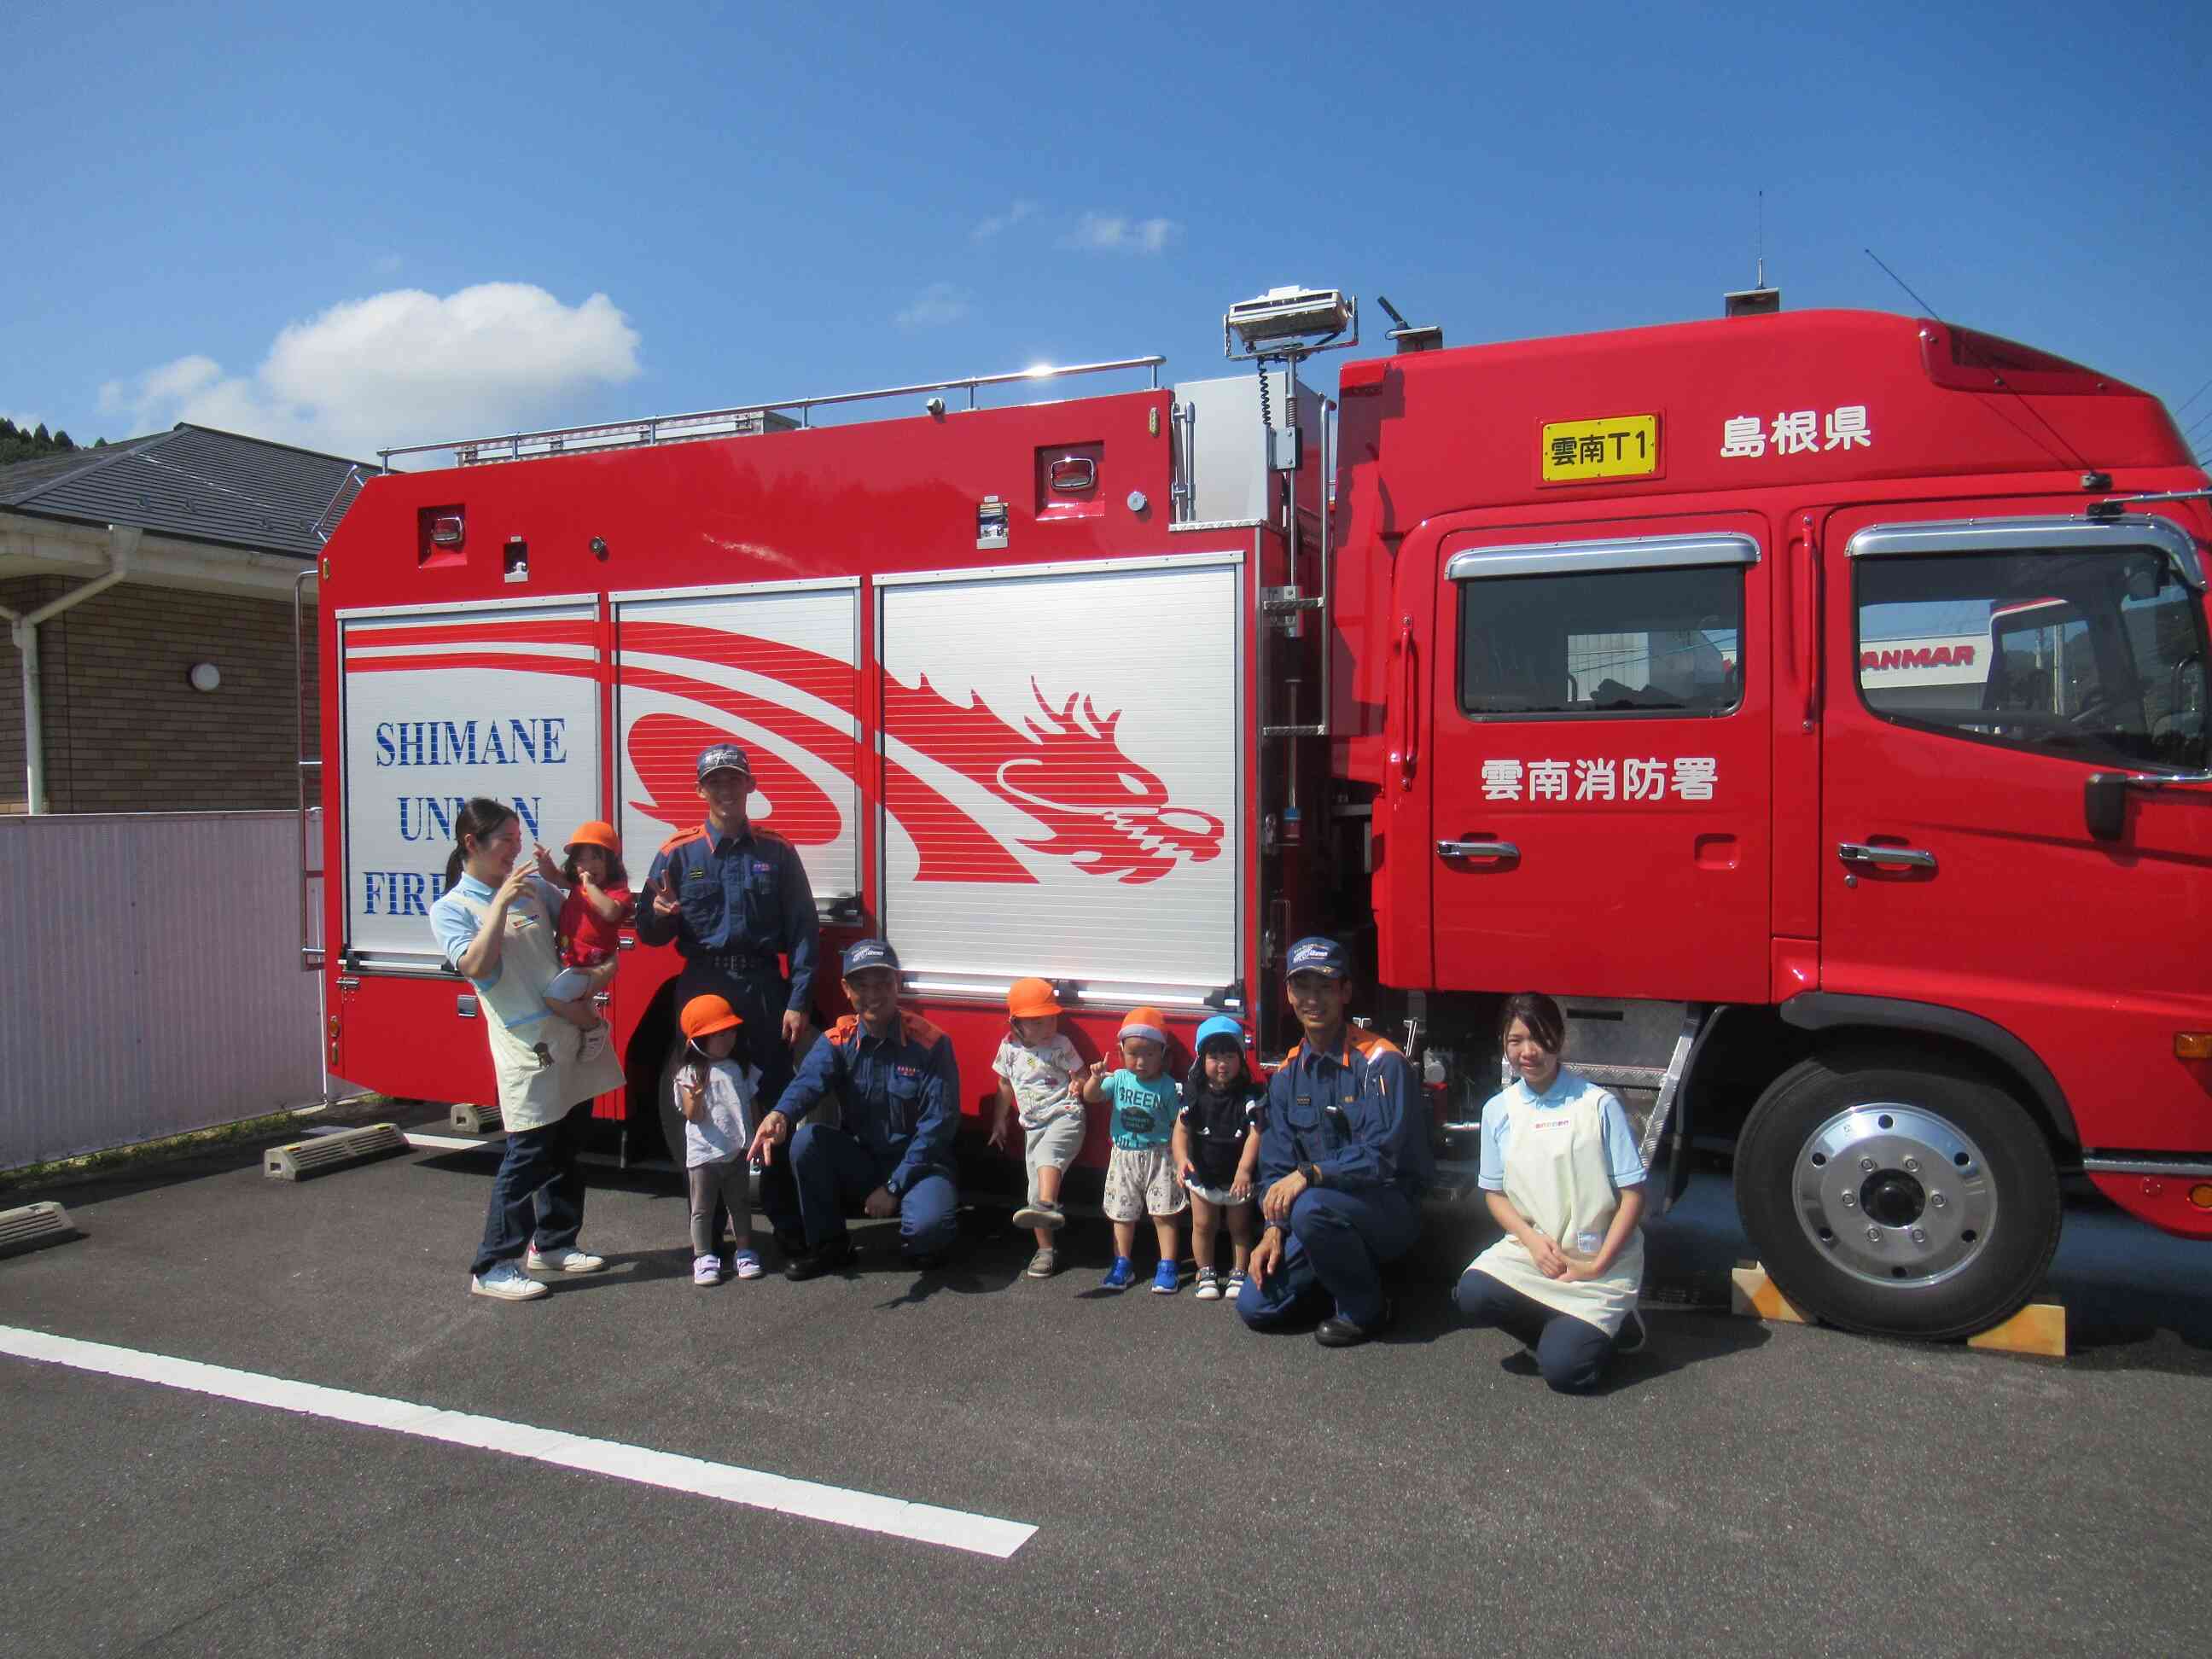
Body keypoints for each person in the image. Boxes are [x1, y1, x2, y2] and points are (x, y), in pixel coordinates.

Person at [429, 798, 626, 1303]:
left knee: (568, 1143)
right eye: (504, 842)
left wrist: (602, 968)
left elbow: (586, 927)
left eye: (518, 840)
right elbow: (474, 965)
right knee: (529, 1153)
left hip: (571, 1033)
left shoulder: (537, 890)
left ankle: (555, 1241)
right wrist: (498, 905)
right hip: (525, 1044)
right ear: (471, 844)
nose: (514, 851)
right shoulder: (452, 909)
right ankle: (493, 1264)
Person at [635, 742, 819, 1254]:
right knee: (704, 1110)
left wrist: (799, 997)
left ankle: (786, 1227)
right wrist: (660, 914)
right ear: (701, 790)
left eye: (734, 780)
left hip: (763, 987)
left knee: (777, 1102)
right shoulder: (677, 852)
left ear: (750, 787)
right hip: (704, 987)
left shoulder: (777, 852)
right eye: (715, 782)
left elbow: (804, 928)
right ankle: (709, 1240)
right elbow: (648, 933)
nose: (726, 789)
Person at [1237, 936, 1433, 1346]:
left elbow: (1381, 1158)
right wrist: (1273, 1228)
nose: (1313, 999)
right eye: (1302, 986)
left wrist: (1311, 1173)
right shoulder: (1288, 1075)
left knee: (1310, 1206)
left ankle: (1368, 1310)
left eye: (1325, 986)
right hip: (1320, 1211)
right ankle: (1340, 1273)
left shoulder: (1381, 1062)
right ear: (1289, 993)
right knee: (1255, 1307)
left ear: (1345, 991)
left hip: (1388, 1209)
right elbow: (1274, 1167)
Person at [1454, 992, 1649, 1393]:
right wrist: (1531, 1240)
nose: (1528, 1051)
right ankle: (1557, 1332)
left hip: (1598, 1265)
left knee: (1566, 1374)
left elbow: (1634, 1195)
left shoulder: (1597, 1105)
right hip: (1538, 1255)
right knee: (1471, 1293)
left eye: (1539, 1038)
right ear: (1504, 1046)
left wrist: (1595, 1267)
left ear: (1559, 1039)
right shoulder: (1498, 1110)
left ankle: (1610, 1328)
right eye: (1515, 1041)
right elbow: (1494, 1194)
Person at [745, 939, 959, 1278]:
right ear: (846, 989)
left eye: (883, 984)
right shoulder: (839, 1040)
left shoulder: (931, 1044)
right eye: (862, 985)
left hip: (920, 1164)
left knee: (928, 1235)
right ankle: (830, 1246)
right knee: (806, 1141)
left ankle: (922, 1223)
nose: (873, 995)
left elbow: (938, 1126)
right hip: (865, 1159)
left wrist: (893, 1187)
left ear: (898, 984)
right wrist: (779, 1115)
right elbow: (807, 1084)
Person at [1080, 1006, 1188, 1294]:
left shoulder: (1168, 1087)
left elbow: (1180, 1123)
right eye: (1133, 1053)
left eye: (1149, 1054)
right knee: (1121, 1214)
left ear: (1163, 1054)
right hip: (1124, 1155)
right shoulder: (1117, 1079)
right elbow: (1091, 1097)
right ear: (1121, 1052)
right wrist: (1094, 1078)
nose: (1141, 1062)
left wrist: (1181, 1155)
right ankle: (1122, 1264)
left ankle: (1167, 1266)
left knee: (1164, 1214)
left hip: (1160, 1155)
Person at [988, 977, 1087, 1279]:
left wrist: (1077, 1083)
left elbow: (1081, 1075)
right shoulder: (1008, 1048)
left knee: (1048, 1156)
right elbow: (1004, 1085)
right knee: (1033, 1194)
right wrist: (999, 1121)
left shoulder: (1060, 1044)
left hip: (1065, 1115)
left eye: (1052, 1018)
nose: (1049, 1026)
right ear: (1016, 1023)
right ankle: (1045, 1250)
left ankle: (1048, 1203)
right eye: (1039, 1022)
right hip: (1033, 1125)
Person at [1172, 1016, 1264, 1302]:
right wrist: (1181, 1159)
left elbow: (1256, 1133)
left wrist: (1245, 1171)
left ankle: (1239, 1271)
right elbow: (1181, 1129)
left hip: (1239, 1178)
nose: (1222, 1063)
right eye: (1214, 1056)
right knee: (1203, 1225)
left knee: (1240, 1227)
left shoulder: (1249, 1095)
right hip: (1204, 1173)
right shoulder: (1194, 1094)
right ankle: (1206, 1271)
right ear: (1201, 1059)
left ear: (1241, 1059)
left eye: (1229, 1055)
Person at [674, 994, 765, 1287]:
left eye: (731, 1032)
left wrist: (758, 1135)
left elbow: (752, 1104)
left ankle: (745, 1252)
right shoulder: (689, 1074)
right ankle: (703, 1256)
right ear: (699, 1040)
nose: (728, 1039)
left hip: (737, 1151)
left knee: (739, 1204)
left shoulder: (739, 1067)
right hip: (703, 1156)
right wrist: (696, 1098)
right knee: (702, 1209)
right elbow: (692, 1116)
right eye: (719, 1034)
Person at [544, 822, 632, 1032]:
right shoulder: (577, 885)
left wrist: (590, 886)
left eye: (595, 858)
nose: (587, 865)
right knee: (567, 1002)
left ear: (610, 862)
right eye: (581, 860)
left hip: (590, 968)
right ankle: (585, 1027)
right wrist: (545, 863)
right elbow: (553, 877)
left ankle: (595, 1029)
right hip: (568, 961)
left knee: (555, 999)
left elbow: (610, 912)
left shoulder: (617, 891)